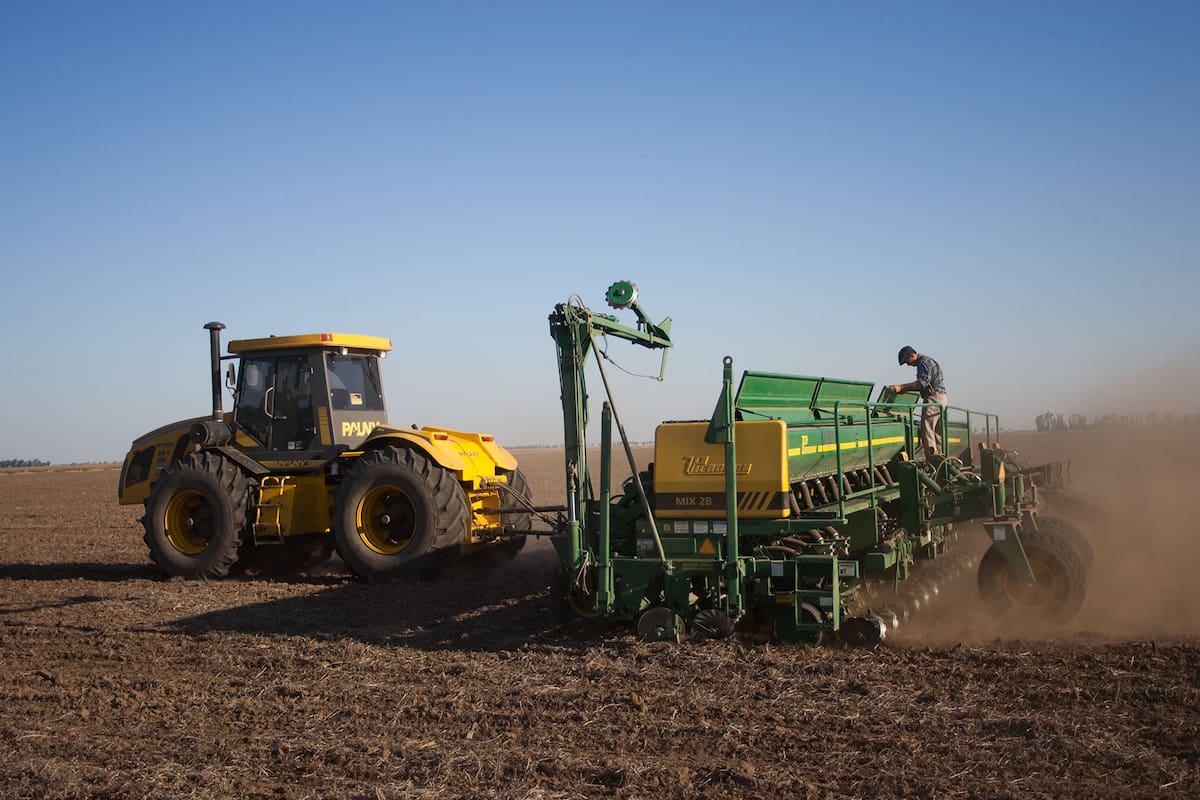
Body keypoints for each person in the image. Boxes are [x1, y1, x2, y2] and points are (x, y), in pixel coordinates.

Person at [889, 346, 947, 457]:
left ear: (911, 355)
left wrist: (901, 387)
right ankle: (941, 458)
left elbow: (921, 384)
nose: (908, 364)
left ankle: (933, 459)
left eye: (907, 362)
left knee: (927, 430)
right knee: (938, 433)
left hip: (933, 399)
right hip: (941, 397)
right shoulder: (929, 360)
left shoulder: (923, 363)